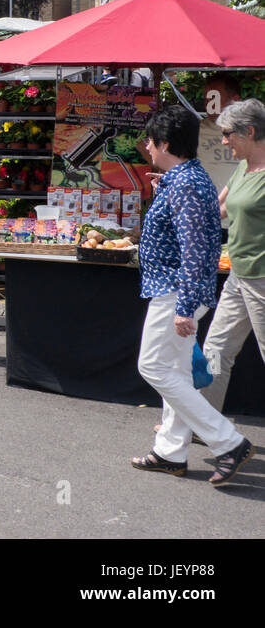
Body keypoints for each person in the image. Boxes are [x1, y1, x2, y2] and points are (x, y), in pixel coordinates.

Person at [130, 106, 253, 484]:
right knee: (177, 372)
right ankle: (171, 450)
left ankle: (227, 441)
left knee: (152, 367)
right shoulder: (183, 179)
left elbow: (198, 250)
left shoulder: (185, 184)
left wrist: (184, 308)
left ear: (165, 143)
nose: (147, 147)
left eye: (151, 141)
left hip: (175, 291)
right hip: (176, 289)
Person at [200, 98, 265, 413]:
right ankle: (203, 421)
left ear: (249, 131)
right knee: (214, 349)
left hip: (263, 279)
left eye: (228, 134)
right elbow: (219, 210)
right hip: (239, 275)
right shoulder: (243, 167)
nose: (224, 140)